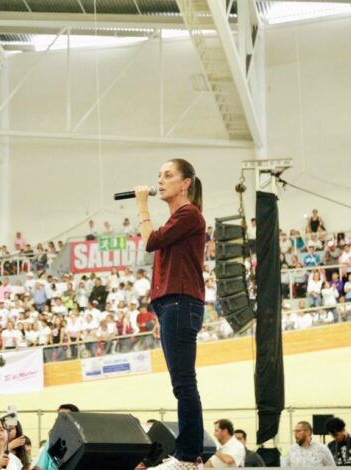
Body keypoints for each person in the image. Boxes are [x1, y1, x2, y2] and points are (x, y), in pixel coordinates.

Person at [136, 158, 206, 470]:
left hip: (180, 303)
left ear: (185, 183)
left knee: (183, 382)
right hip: (171, 305)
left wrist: (142, 207)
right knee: (181, 382)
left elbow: (151, 242)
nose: (160, 181)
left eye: (168, 175)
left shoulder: (189, 214)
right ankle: (189, 454)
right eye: (159, 175)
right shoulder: (177, 220)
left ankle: (188, 455)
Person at [32, 404, 79, 470]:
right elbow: (41, 467)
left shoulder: (81, 443)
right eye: (59, 417)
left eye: (65, 417)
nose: (61, 420)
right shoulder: (51, 441)